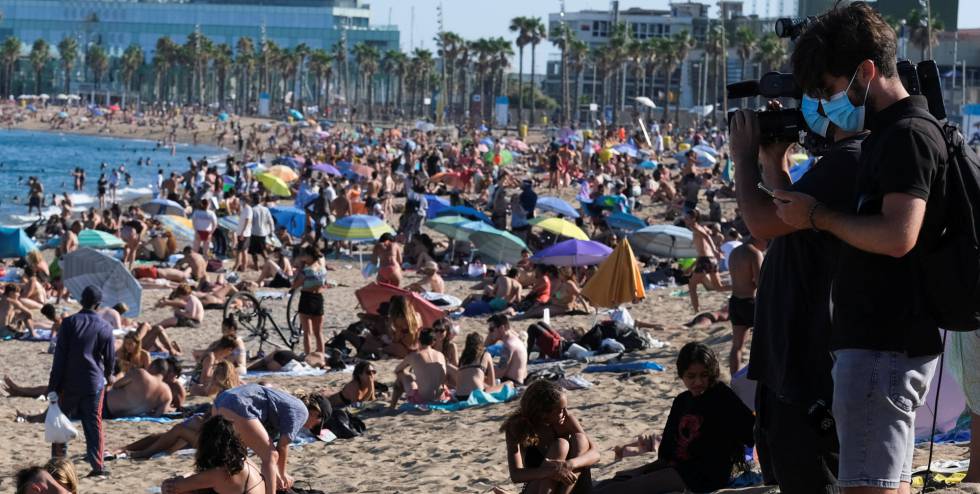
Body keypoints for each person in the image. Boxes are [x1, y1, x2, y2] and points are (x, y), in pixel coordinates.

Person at [772, 4, 948, 492]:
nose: (829, 103)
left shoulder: (906, 136)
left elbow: (898, 235)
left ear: (867, 71)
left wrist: (818, 217)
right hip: (879, 345)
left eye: (832, 88)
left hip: (883, 346)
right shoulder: (893, 135)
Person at [594, 343, 754, 493]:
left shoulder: (722, 397)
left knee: (618, 490)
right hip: (676, 467)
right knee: (612, 482)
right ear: (681, 375)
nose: (698, 382)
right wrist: (642, 470)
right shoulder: (682, 400)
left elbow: (751, 432)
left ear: (712, 373)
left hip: (704, 474)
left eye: (704, 375)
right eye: (691, 376)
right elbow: (667, 450)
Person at [46, 285, 114, 477]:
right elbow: (110, 360)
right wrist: (109, 376)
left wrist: (53, 386)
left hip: (68, 383)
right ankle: (97, 467)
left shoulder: (69, 323)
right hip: (94, 384)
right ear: (98, 304)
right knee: (94, 424)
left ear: (81, 301)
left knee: (60, 423)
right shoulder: (105, 327)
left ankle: (59, 466)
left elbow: (59, 358)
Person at [213, 384, 322, 494]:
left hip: (220, 401)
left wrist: (277, 475)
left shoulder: (284, 404)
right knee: (270, 455)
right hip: (238, 403)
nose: (311, 428)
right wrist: (283, 474)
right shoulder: (302, 411)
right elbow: (282, 447)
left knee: (235, 453)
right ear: (316, 412)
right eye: (317, 425)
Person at [499, 379, 599, 494]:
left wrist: (568, 465)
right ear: (542, 413)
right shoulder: (517, 427)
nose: (566, 413)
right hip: (538, 488)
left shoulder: (567, 421)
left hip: (574, 486)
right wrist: (550, 471)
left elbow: (595, 454)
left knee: (580, 439)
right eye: (561, 410)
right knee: (561, 446)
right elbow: (516, 475)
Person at [159, 415, 263, 494]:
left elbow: (173, 487)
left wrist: (169, 483)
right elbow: (198, 476)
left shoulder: (220, 473)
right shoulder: (244, 461)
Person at [726, 236, 765, 376]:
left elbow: (738, 279)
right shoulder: (754, 253)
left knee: (737, 346)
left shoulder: (734, 253)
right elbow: (761, 283)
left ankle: (734, 379)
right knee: (763, 344)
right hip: (750, 303)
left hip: (735, 301)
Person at [389, 329, 450, 407]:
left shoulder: (413, 356)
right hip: (443, 397)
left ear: (419, 341)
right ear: (433, 341)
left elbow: (397, 370)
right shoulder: (441, 355)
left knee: (402, 374)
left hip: (422, 400)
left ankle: (392, 407)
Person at [684, 209, 726, 312]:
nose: (685, 220)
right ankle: (741, 288)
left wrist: (715, 250)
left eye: (687, 218)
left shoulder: (695, 227)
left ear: (693, 219)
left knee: (692, 285)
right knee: (718, 287)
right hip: (710, 259)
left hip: (706, 259)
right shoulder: (700, 228)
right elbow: (703, 250)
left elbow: (707, 237)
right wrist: (691, 266)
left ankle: (696, 310)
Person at [451, 332, 512, 401]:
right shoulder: (485, 355)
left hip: (460, 397)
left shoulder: (462, 360)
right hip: (476, 396)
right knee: (510, 383)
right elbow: (492, 384)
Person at [485, 314, 528, 385]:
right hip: (515, 381)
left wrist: (483, 370)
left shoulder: (508, 346)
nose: (489, 333)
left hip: (512, 385)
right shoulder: (514, 338)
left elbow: (498, 374)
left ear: (502, 328)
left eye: (491, 329)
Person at [250, 195, 275, 269]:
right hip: (263, 233)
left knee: (253, 251)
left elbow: (250, 222)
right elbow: (271, 221)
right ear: (260, 200)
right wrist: (271, 232)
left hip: (254, 233)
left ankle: (256, 266)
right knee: (263, 250)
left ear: (253, 200)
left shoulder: (252, 209)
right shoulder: (266, 209)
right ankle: (268, 264)